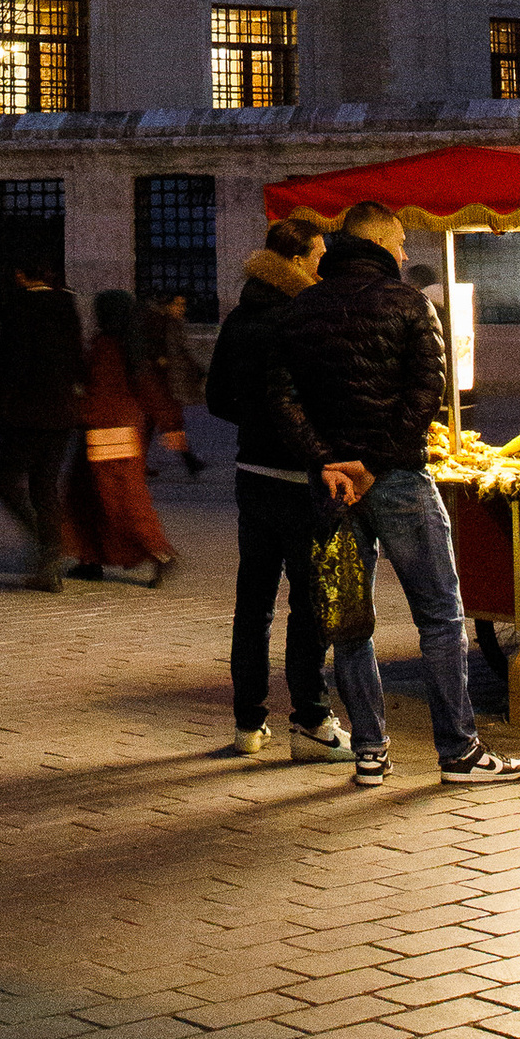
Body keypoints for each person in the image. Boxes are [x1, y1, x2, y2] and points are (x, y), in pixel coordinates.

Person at [261, 200, 520, 794]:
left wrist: (329, 461)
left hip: (332, 488)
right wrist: (375, 463)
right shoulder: (411, 304)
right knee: (439, 615)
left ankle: (371, 753)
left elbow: (279, 399)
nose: (408, 254)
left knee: (351, 623)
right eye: (404, 243)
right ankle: (458, 751)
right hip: (400, 478)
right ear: (383, 244)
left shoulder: (300, 309)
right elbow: (425, 395)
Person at [204, 218, 344, 760]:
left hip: (252, 475)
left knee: (253, 602)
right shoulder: (303, 316)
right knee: (309, 604)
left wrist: (256, 422)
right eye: (317, 255)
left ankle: (247, 724)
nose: (321, 264)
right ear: (298, 259)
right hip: (298, 477)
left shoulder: (240, 317)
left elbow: (216, 398)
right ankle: (311, 719)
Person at [0, 249, 87, 589]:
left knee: (5, 481)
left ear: (20, 274)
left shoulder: (19, 307)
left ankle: (48, 550)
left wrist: (0, 412)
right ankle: (49, 566)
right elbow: (78, 360)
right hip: (61, 412)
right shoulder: (66, 305)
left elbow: (10, 365)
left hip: (27, 413)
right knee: (44, 486)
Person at [64, 291, 176, 584]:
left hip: (104, 432)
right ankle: (91, 557)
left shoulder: (107, 346)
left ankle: (158, 551)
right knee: (93, 496)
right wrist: (170, 424)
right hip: (124, 430)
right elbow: (147, 387)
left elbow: (97, 390)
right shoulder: (133, 343)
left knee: (117, 499)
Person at [140, 291, 209, 480]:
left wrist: (195, 369)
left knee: (154, 422)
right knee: (169, 420)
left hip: (168, 381)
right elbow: (157, 350)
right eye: (178, 305)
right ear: (168, 305)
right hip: (160, 381)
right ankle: (189, 460)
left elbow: (182, 352)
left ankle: (141, 463)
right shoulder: (158, 322)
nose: (181, 309)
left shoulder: (170, 323)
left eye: (183, 305)